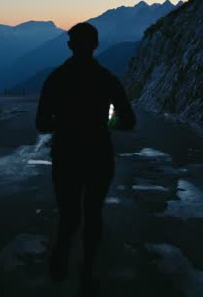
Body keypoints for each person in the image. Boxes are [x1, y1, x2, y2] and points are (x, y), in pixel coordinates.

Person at [35, 22, 136, 289]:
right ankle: (88, 271)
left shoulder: (56, 78)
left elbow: (42, 124)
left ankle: (61, 253)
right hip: (99, 155)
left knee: (69, 213)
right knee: (93, 213)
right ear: (96, 45)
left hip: (66, 155)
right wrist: (106, 123)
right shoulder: (107, 79)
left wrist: (65, 123)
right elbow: (128, 121)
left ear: (70, 45)